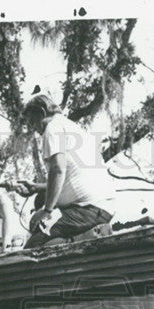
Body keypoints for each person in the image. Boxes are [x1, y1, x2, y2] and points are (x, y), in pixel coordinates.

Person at [17, 93, 116, 248]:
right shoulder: (69, 125)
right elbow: (71, 176)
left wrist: (47, 210)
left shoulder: (52, 128)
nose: (34, 129)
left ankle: (83, 238)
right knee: (43, 206)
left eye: (33, 122)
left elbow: (57, 169)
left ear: (42, 112)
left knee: (34, 246)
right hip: (102, 206)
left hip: (89, 209)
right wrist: (36, 187)